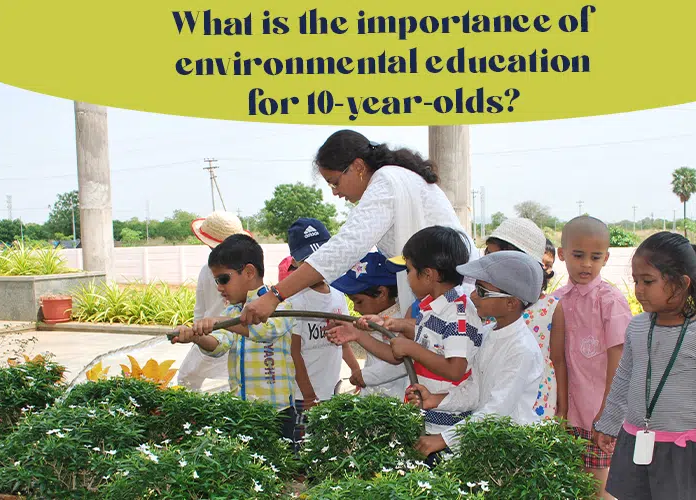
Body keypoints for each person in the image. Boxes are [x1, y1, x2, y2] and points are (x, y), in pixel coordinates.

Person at [238, 129, 479, 328]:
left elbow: (345, 247)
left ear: (358, 167)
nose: (335, 192)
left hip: (455, 298)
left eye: (335, 182)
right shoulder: (398, 178)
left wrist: (275, 295)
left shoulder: (386, 182)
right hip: (446, 296)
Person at [594, 231, 696, 499]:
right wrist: (610, 422)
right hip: (634, 444)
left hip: (684, 454)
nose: (638, 290)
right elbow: (624, 378)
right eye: (636, 281)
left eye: (648, 281)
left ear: (681, 284)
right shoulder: (637, 327)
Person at [327, 226, 482, 436]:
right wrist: (359, 334)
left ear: (428, 275)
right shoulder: (433, 309)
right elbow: (397, 355)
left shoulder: (458, 314)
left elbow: (455, 369)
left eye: (409, 270)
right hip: (427, 418)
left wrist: (412, 348)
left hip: (447, 426)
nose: (407, 278)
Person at [405, 250, 545, 457]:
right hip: (484, 441)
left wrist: (443, 439)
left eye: (481, 291)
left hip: (510, 450)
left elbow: (496, 411)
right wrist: (436, 399)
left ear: (511, 303)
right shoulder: (488, 333)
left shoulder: (521, 350)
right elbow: (475, 389)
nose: (471, 296)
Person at [170, 234, 298, 441]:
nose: (219, 287)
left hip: (277, 412)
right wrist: (196, 337)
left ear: (249, 272)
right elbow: (219, 345)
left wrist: (218, 320)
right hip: (242, 411)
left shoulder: (280, 305)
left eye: (223, 279)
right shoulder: (231, 311)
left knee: (280, 468)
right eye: (216, 281)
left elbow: (264, 332)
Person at [554, 215, 632, 499]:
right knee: (574, 487)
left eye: (595, 257)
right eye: (578, 255)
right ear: (562, 254)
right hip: (569, 416)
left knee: (601, 490)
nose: (586, 264)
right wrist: (560, 409)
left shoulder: (610, 301)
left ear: (606, 258)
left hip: (600, 416)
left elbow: (620, 359)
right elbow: (557, 359)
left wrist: (607, 412)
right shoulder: (557, 299)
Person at [478, 218, 567, 420]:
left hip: (537, 398)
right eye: (487, 254)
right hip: (499, 392)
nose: (487, 261)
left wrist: (563, 411)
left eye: (493, 255)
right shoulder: (490, 301)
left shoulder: (552, 308)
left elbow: (559, 361)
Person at [284, 218, 360, 444]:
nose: (316, 266)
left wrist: (357, 371)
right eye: (308, 260)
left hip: (331, 389)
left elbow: (342, 342)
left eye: (322, 257)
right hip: (303, 395)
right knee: (304, 447)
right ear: (296, 263)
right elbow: (294, 353)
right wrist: (308, 393)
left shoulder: (337, 297)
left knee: (327, 443)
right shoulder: (295, 301)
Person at [177, 211, 255, 391]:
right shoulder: (215, 270)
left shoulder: (210, 270)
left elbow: (200, 309)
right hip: (217, 335)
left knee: (190, 381)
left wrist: (198, 329)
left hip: (222, 334)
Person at [328, 251, 409, 400]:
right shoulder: (377, 318)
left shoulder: (401, 322)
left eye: (358, 301)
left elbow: (402, 363)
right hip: (376, 398)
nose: (356, 308)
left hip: (395, 403)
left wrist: (364, 376)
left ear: (382, 293)